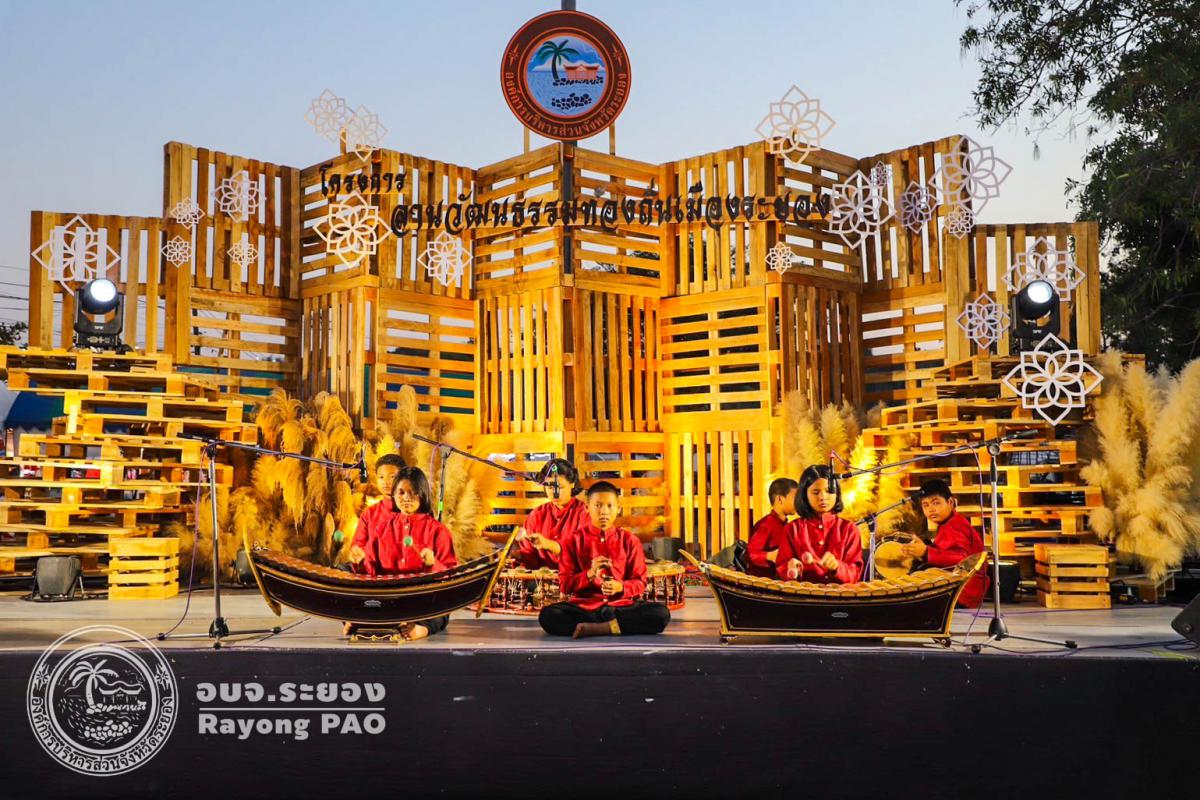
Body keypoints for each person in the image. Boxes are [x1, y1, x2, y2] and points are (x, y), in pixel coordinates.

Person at [537, 481, 671, 639]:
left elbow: (640, 582)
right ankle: (614, 626)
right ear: (587, 508)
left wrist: (620, 587)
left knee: (660, 613)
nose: (604, 512)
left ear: (618, 508)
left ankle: (600, 628)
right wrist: (590, 573)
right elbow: (565, 586)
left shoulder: (630, 540)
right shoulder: (572, 541)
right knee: (548, 615)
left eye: (609, 506)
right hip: (585, 608)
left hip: (621, 607)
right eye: (598, 505)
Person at [349, 465, 457, 640]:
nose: (406, 498)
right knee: (350, 589)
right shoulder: (382, 529)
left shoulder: (438, 530)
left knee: (441, 606)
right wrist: (360, 562)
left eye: (413, 492)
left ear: (422, 494)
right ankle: (365, 621)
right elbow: (369, 573)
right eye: (401, 492)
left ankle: (422, 628)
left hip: (421, 600)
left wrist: (433, 564)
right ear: (393, 495)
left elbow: (451, 578)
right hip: (389, 597)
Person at [902, 479, 989, 607]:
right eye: (925, 505)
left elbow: (963, 559)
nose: (931, 509)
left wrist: (926, 552)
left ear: (950, 502)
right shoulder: (948, 523)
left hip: (963, 592)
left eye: (936, 503)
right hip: (960, 587)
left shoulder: (955, 526)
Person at [776, 465, 863, 585]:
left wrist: (837, 567)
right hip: (803, 594)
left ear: (837, 492)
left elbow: (855, 574)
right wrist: (790, 569)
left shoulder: (849, 529)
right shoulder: (792, 529)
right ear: (804, 495)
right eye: (816, 492)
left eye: (828, 491)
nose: (823, 497)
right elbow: (782, 567)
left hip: (839, 596)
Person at [514, 458, 588, 569]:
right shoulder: (536, 515)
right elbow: (528, 555)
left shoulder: (584, 513)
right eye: (549, 487)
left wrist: (548, 544)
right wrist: (516, 555)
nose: (554, 493)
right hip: (541, 578)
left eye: (560, 487)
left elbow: (584, 554)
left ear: (572, 484)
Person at [347, 453, 406, 564]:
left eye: (392, 477)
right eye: (381, 477)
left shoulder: (412, 511)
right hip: (373, 568)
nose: (386, 482)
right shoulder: (370, 513)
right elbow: (357, 545)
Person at [745, 477, 799, 577]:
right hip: (762, 580)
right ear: (780, 499)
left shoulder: (787, 526)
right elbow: (750, 554)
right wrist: (770, 556)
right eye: (795, 498)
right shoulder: (766, 524)